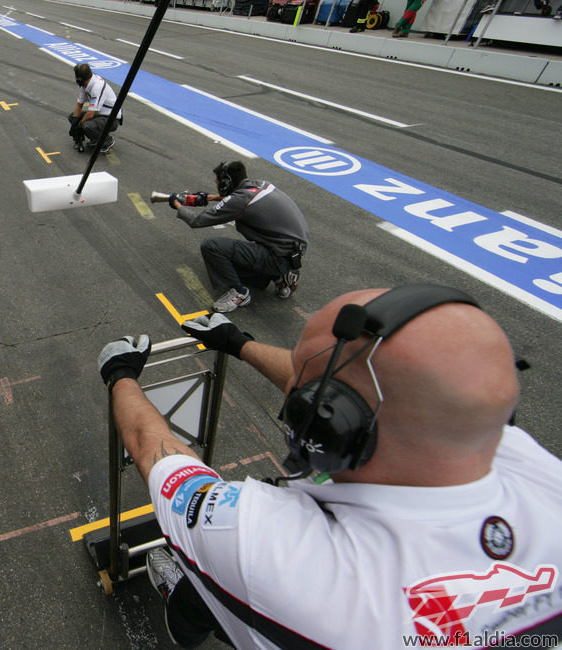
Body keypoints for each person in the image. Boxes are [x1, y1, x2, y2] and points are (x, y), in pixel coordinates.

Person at [98, 284, 562, 648]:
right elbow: (368, 399)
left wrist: (120, 374)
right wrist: (237, 343)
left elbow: (151, 447)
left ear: (333, 426)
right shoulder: (527, 465)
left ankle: (185, 615)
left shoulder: (276, 549)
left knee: (201, 574)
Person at [169, 160, 307, 312]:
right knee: (237, 258)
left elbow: (197, 221)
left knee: (211, 247)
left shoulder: (240, 200)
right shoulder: (260, 185)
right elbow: (239, 200)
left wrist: (177, 205)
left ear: (226, 183)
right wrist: (212, 197)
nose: (217, 186)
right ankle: (282, 277)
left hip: (278, 255)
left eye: (217, 183)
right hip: (293, 249)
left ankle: (239, 293)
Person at [68, 62, 120, 154]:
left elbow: (91, 113)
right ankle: (93, 139)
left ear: (79, 79)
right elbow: (79, 105)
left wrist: (79, 125)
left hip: (111, 118)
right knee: (72, 117)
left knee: (87, 125)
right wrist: (74, 124)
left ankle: (107, 141)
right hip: (99, 114)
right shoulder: (86, 84)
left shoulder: (97, 87)